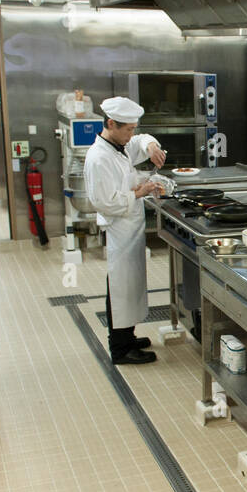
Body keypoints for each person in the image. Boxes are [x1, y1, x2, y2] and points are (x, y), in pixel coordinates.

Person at [85, 96, 167, 365]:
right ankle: (119, 348)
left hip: (131, 226)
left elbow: (142, 140)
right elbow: (104, 202)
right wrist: (140, 191)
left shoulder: (119, 146)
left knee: (131, 285)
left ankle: (128, 336)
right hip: (119, 228)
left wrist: (152, 145)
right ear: (111, 123)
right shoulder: (99, 157)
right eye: (128, 129)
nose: (132, 134)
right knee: (120, 287)